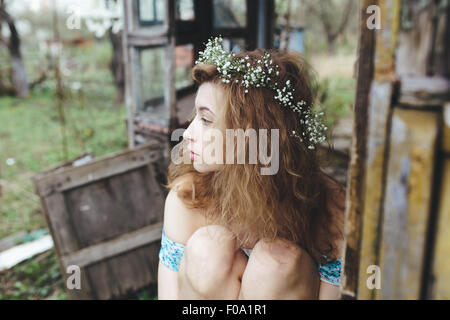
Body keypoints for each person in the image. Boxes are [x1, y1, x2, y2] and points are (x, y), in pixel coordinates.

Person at [158, 37, 346, 300]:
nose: (187, 133)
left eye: (206, 120)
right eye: (194, 117)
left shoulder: (330, 205)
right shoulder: (187, 196)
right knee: (207, 249)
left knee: (276, 261)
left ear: (250, 133)